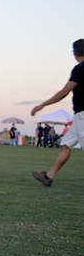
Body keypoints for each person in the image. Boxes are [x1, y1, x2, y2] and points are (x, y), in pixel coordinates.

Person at [31, 39, 84, 187]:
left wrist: (43, 104)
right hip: (78, 118)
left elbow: (64, 92)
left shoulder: (80, 69)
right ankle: (49, 176)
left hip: (83, 116)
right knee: (66, 145)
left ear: (75, 53)